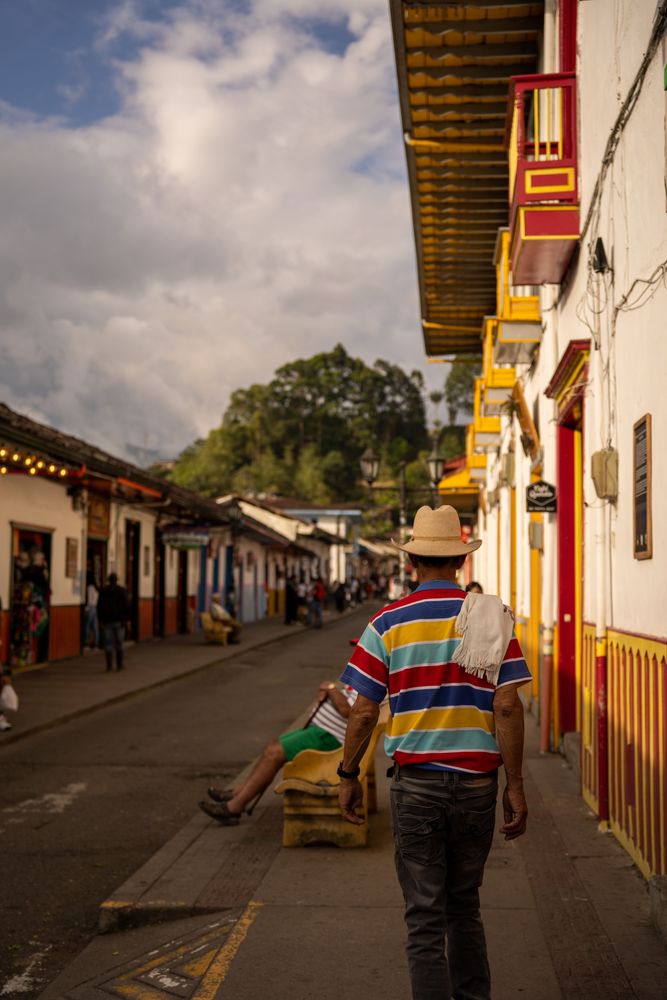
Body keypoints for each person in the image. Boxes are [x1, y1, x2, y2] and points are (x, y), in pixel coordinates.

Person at [337, 504, 531, 1000]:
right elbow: (507, 707)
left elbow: (362, 713)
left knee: (424, 917)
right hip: (477, 785)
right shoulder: (493, 617)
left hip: (417, 787)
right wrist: (517, 785)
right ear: (460, 562)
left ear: (412, 563)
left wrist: (348, 774)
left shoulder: (386, 622)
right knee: (464, 907)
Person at [199, 680, 356, 826]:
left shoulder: (373, 676)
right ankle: (238, 793)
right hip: (323, 732)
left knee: (274, 753)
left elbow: (347, 710)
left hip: (331, 739)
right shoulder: (367, 670)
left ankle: (233, 808)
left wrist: (330, 688)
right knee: (272, 747)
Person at [97, 572, 130, 672]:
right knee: (119, 643)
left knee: (108, 644)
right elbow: (126, 606)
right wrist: (127, 619)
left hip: (107, 621)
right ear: (116, 580)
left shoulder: (103, 591)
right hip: (119, 621)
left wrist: (100, 619)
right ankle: (119, 665)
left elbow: (99, 606)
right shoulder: (122, 591)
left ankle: (109, 666)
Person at [84, 572, 99, 649]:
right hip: (95, 607)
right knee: (95, 626)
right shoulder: (96, 587)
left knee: (87, 626)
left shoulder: (90, 587)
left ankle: (86, 643)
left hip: (90, 607)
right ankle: (96, 644)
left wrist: (86, 608)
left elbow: (89, 599)